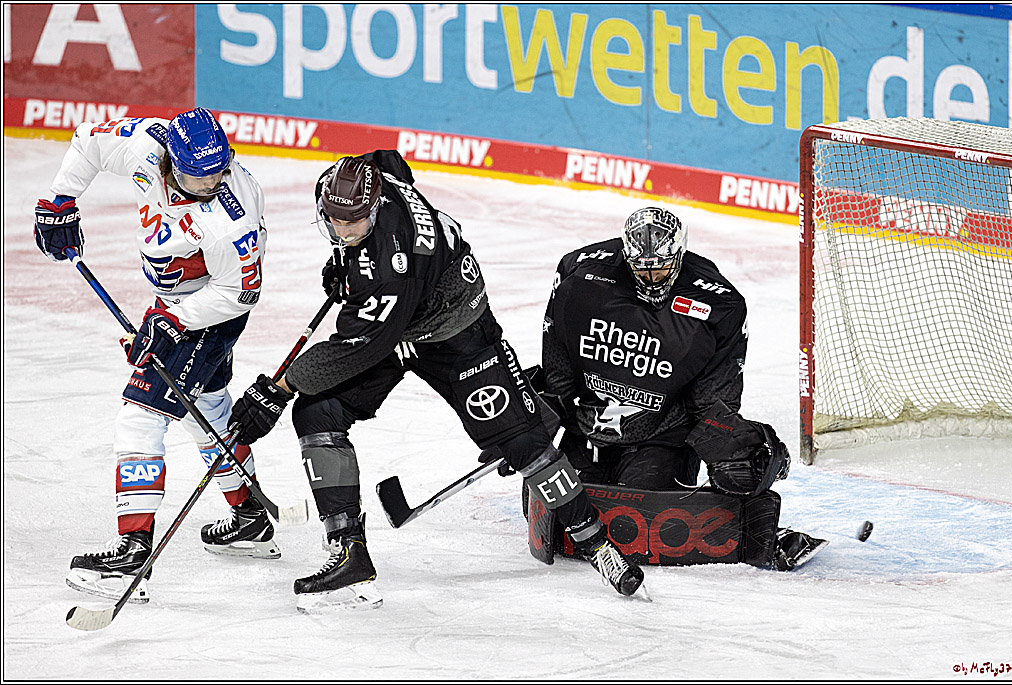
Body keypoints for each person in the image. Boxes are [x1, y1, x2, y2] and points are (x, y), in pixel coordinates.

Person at [228, 150, 647, 612]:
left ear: (377, 205)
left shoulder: (395, 259)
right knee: (319, 412)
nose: (342, 231)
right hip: (399, 320)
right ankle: (348, 551)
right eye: (334, 223)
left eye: (354, 225)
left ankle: (597, 545)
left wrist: (281, 387)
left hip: (456, 332)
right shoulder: (353, 181)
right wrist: (347, 264)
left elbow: (359, 347)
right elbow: (390, 158)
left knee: (522, 441)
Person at [34, 108, 276, 603]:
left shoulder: (233, 215)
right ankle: (248, 512)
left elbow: (239, 294)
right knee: (204, 407)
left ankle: (130, 548)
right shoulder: (148, 142)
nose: (209, 183)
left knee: (140, 415)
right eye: (195, 174)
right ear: (169, 160)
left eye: (217, 171)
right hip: (172, 304)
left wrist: (172, 324)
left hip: (209, 314)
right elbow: (89, 142)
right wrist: (63, 199)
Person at [536, 206, 825, 571]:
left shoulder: (718, 304)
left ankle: (759, 524)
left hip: (661, 436)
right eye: (641, 268)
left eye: (661, 266)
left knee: (647, 525)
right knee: (565, 518)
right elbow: (558, 348)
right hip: (588, 429)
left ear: (680, 254)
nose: (652, 277)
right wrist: (542, 408)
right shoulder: (581, 278)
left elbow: (712, 401)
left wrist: (731, 445)